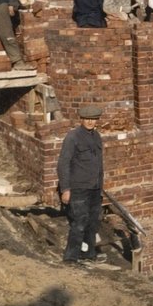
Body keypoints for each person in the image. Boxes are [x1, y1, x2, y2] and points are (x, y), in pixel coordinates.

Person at [57, 105, 106, 265]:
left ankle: (88, 254)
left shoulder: (96, 136)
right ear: (81, 119)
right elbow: (63, 164)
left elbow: (99, 165)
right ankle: (71, 257)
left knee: (92, 222)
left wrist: (100, 188)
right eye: (87, 119)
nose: (90, 122)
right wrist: (65, 189)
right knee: (79, 222)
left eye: (93, 119)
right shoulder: (73, 137)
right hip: (78, 188)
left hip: (94, 188)